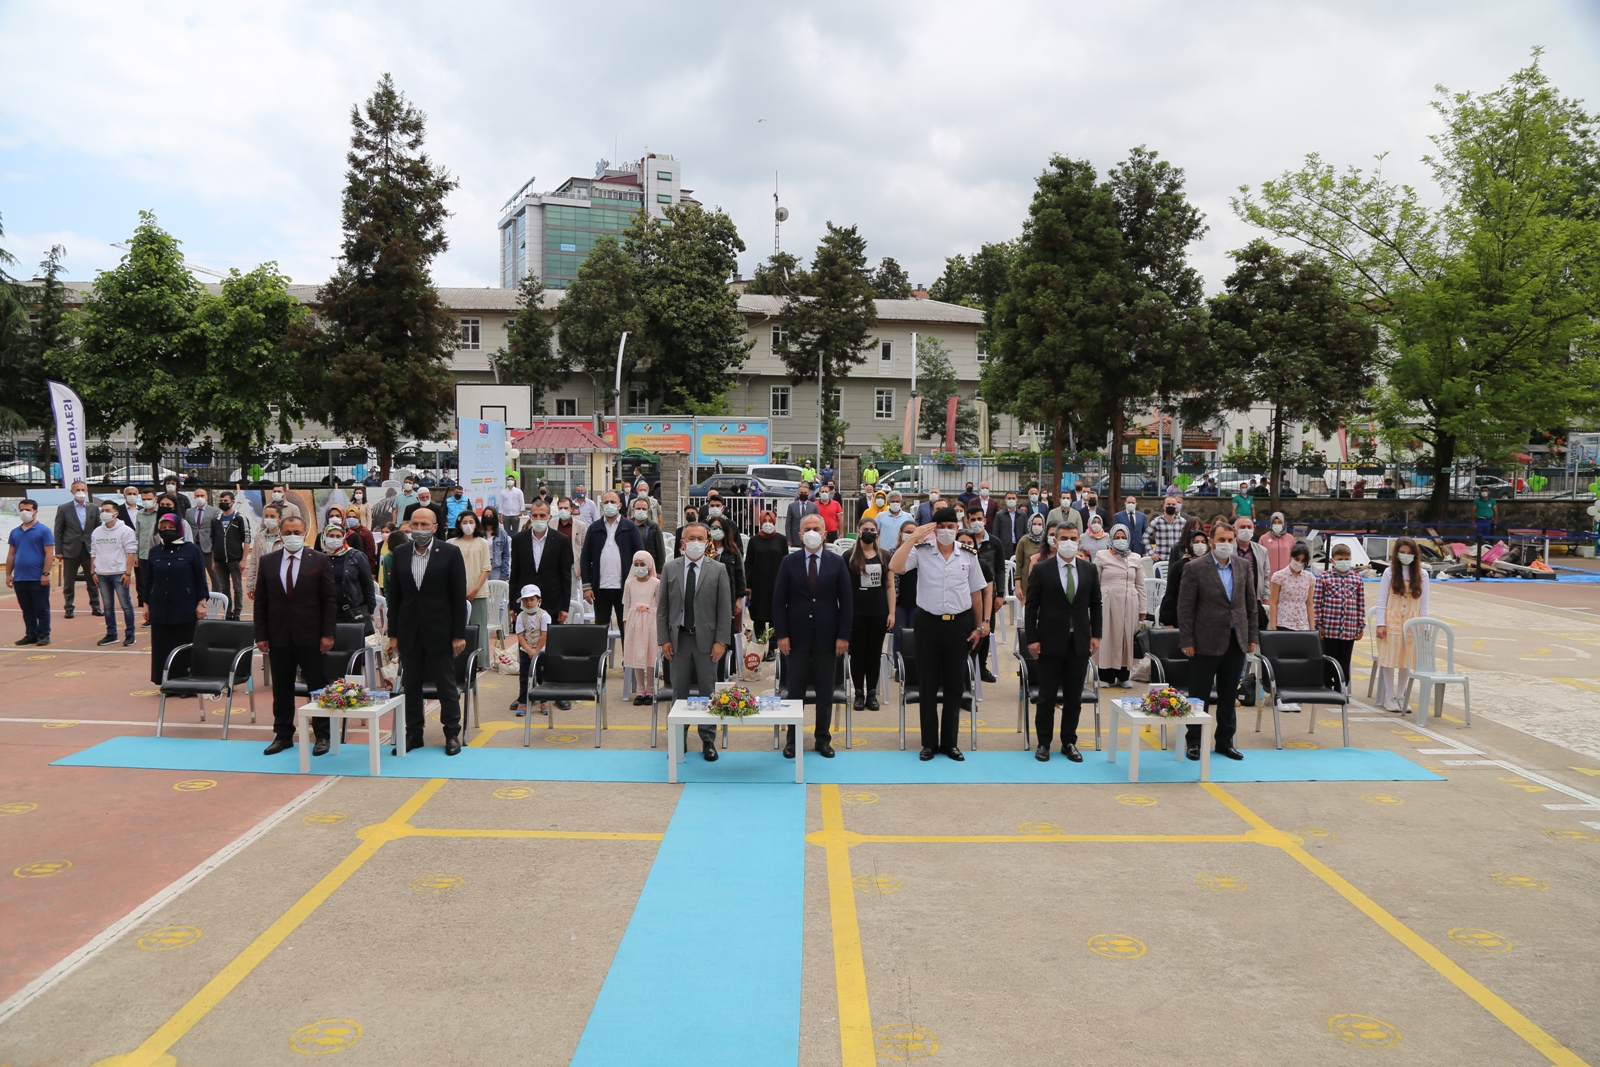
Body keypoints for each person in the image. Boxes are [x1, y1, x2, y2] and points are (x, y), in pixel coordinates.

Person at [889, 507, 987, 761]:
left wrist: (979, 626)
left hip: (959, 625)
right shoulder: (921, 551)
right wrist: (913, 537)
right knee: (928, 685)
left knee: (955, 685)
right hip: (928, 623)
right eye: (941, 526)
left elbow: (976, 591)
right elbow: (894, 565)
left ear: (958, 527)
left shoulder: (968, 555)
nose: (946, 531)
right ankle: (929, 743)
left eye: (951, 526)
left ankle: (950, 743)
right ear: (933, 528)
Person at [386, 508, 469, 755]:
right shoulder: (399, 553)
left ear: (435, 527)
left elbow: (458, 597)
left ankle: (452, 733)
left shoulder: (451, 553)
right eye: (415, 524)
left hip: (440, 630)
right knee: (411, 686)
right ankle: (414, 734)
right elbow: (395, 597)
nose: (419, 528)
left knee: (446, 685)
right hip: (409, 631)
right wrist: (393, 634)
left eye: (424, 524)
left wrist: (458, 634)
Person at [252, 515, 335, 754]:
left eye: (297, 532)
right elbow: (261, 602)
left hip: (312, 636)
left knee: (318, 688)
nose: (292, 536)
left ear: (305, 533)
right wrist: (261, 634)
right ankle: (283, 735)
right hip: (278, 636)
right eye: (287, 532)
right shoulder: (268, 561)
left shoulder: (319, 560)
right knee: (281, 688)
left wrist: (328, 633)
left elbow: (329, 600)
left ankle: (322, 736)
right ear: (281, 534)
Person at [771, 514, 852, 758]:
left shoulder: (837, 562)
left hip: (828, 638)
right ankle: (793, 741)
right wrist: (782, 635)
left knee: (825, 692)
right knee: (794, 692)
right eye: (808, 528)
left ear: (825, 533)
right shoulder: (789, 562)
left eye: (817, 527)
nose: (812, 531)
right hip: (795, 638)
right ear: (799, 534)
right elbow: (779, 602)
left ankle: (822, 739)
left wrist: (843, 636)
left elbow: (846, 602)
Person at [1176, 519, 1257, 761]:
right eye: (1221, 540)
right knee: (1199, 696)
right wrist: (1187, 640)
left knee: (1228, 694)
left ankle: (1224, 742)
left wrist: (1252, 635)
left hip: (1236, 640)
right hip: (1204, 641)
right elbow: (1185, 608)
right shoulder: (1195, 568)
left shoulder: (1243, 566)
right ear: (1211, 542)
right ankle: (1194, 742)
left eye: (1230, 540)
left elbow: (1250, 605)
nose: (1226, 544)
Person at [1025, 520, 1102, 761]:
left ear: (1079, 540)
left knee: (1073, 698)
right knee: (1046, 697)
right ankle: (1043, 743)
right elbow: (1031, 607)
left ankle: (1069, 741)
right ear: (1055, 541)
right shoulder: (1041, 569)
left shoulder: (1088, 570)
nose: (1069, 542)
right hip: (1049, 641)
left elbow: (1095, 605)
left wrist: (1096, 634)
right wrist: (1032, 639)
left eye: (1073, 538)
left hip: (1078, 642)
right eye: (1064, 538)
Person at [658, 523, 732, 761]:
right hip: (678, 640)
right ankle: (679, 739)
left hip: (707, 642)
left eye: (701, 538)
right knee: (678, 692)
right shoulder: (670, 568)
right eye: (691, 538)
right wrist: (664, 639)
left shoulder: (718, 569)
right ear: (682, 543)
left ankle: (708, 740)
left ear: (707, 541)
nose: (696, 542)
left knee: (708, 692)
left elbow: (724, 609)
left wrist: (721, 640)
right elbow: (662, 609)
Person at [148, 512, 211, 687]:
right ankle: (166, 682)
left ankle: (187, 684)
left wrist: (201, 603)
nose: (167, 531)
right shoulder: (154, 552)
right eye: (163, 528)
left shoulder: (191, 550)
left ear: (179, 529)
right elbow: (148, 581)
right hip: (160, 608)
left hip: (185, 607)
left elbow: (200, 578)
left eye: (171, 528)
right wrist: (147, 605)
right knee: (162, 647)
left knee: (185, 647)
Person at [1374, 536, 1430, 712]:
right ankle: (1389, 695)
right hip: (1392, 620)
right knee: (1390, 659)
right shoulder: (1389, 573)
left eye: (1409, 553)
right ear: (1396, 554)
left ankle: (1401, 695)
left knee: (1406, 659)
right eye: (1402, 553)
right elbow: (1382, 600)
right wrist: (1381, 624)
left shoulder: (1422, 574)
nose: (1406, 556)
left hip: (1412, 622)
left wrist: (1425, 626)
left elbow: (1424, 603)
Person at [581, 490, 643, 646]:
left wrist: (638, 584)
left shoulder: (630, 528)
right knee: (600, 629)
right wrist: (587, 586)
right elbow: (585, 559)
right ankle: (599, 666)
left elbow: (641, 557)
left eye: (613, 502)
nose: (609, 505)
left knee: (627, 628)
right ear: (601, 505)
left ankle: (628, 666)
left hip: (625, 589)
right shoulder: (594, 528)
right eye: (606, 502)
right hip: (600, 589)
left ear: (620, 505)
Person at [846, 518, 892, 711]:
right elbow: (844, 588)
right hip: (856, 613)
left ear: (877, 532)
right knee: (857, 654)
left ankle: (872, 693)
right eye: (866, 529)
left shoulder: (885, 555)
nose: (869, 532)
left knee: (874, 654)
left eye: (872, 529)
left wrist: (892, 613)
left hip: (879, 612)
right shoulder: (848, 556)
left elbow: (889, 586)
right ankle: (858, 692)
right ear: (858, 531)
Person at [508, 500, 574, 633]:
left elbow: (566, 575)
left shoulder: (561, 540)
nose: (539, 519)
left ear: (549, 517)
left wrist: (565, 607)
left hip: (552, 602)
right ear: (530, 516)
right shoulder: (519, 540)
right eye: (535, 516)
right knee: (526, 647)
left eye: (542, 516)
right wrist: (513, 604)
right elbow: (515, 573)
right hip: (525, 602)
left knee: (551, 647)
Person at [1094, 523, 1145, 688]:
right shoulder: (1102, 556)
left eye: (1123, 538)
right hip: (1107, 601)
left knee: (1126, 637)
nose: (1121, 541)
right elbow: (1095, 583)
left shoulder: (1135, 558)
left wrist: (1143, 609)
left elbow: (1140, 585)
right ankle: (1105, 675)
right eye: (1117, 538)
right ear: (1111, 539)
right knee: (1108, 636)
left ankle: (1123, 675)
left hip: (1130, 602)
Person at [1314, 542, 1365, 693]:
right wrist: (1319, 625)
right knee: (1328, 659)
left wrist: (1360, 625)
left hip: (1349, 629)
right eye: (1340, 558)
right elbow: (1317, 602)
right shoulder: (1324, 578)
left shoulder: (1356, 579)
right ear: (1333, 560)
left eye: (1347, 558)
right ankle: (1326, 686)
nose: (1344, 561)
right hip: (1329, 628)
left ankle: (1341, 687)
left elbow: (1360, 604)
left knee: (1344, 661)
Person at [90, 499, 139, 646]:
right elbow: (93, 552)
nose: (104, 513)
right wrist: (93, 572)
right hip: (102, 573)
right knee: (107, 605)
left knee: (126, 604)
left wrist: (128, 573)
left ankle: (130, 634)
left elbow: (131, 552)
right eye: (102, 511)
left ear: (116, 513)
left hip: (119, 573)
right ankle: (111, 634)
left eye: (107, 510)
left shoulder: (126, 530)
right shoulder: (97, 531)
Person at [7, 499, 55, 645]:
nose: (24, 513)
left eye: (28, 509)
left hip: (37, 577)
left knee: (41, 608)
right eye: (22, 509)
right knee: (27, 609)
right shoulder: (15, 532)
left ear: (35, 511)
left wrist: (45, 573)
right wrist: (9, 574)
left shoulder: (43, 530)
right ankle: (31, 634)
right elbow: (11, 554)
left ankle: (44, 634)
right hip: (20, 578)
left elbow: (49, 554)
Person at [53, 480, 102, 620]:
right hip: (70, 549)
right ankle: (69, 608)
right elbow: (58, 531)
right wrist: (59, 550)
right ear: (72, 492)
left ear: (87, 491)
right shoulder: (64, 509)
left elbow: (98, 529)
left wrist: (98, 549)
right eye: (77, 489)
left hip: (89, 549)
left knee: (92, 579)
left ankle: (96, 606)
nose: (81, 492)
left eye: (83, 489)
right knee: (69, 581)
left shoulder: (93, 508)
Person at [745, 509, 788, 662]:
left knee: (775, 617)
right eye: (765, 521)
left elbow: (786, 562)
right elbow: (748, 563)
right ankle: (760, 647)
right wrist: (748, 586)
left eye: (770, 521)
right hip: (758, 585)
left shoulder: (781, 540)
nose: (767, 524)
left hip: (777, 584)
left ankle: (772, 648)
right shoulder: (754, 540)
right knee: (759, 617)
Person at [965, 504, 1002, 681]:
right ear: (967, 521)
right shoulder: (963, 540)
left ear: (985, 521)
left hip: (988, 593)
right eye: (973, 520)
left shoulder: (995, 542)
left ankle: (981, 667)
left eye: (980, 519)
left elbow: (1000, 569)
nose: (977, 522)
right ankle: (969, 667)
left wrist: (1000, 594)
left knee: (986, 631)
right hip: (966, 597)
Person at [452, 510, 492, 665]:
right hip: (458, 594)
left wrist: (475, 589)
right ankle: (460, 660)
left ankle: (481, 662)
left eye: (471, 522)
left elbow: (486, 568)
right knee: (459, 629)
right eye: (464, 522)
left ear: (476, 524)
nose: (468, 526)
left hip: (479, 592)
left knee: (479, 628)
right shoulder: (453, 543)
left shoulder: (482, 543)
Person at [323, 518, 377, 635]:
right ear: (325, 536)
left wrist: (370, 609)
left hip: (353, 610)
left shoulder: (356, 556)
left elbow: (367, 584)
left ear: (343, 538)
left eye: (338, 536)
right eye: (331, 535)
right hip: (327, 613)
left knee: (354, 648)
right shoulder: (320, 558)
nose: (334, 539)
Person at [623, 553, 660, 706]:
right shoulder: (629, 584)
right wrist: (626, 623)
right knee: (637, 655)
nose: (639, 568)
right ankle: (640, 689)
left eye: (642, 564)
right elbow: (626, 604)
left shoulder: (656, 583)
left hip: (651, 622)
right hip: (635, 623)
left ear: (649, 565)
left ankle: (650, 689)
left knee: (650, 654)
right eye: (636, 565)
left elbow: (660, 603)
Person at [1159, 520, 1211, 627]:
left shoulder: (1212, 565)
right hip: (1183, 616)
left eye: (1203, 542)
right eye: (1196, 542)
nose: (1200, 545)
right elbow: (1170, 594)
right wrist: (1168, 621)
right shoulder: (1179, 566)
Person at [511, 584, 551, 716]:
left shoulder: (544, 616)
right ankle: (523, 701)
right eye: (525, 600)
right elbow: (520, 636)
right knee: (524, 677)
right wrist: (528, 650)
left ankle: (544, 700)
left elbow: (544, 635)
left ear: (539, 600)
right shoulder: (521, 617)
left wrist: (537, 650)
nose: (528, 603)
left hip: (542, 651)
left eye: (532, 599)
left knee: (542, 677)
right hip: (525, 652)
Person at [211, 491, 250, 620]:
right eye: (221, 501)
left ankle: (237, 613)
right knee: (224, 587)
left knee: (237, 587)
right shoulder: (215, 520)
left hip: (235, 559)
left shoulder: (240, 518)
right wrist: (213, 561)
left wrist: (244, 560)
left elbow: (246, 540)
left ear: (232, 502)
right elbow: (213, 541)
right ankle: (227, 613)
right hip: (220, 559)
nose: (223, 503)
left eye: (226, 501)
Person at [707, 515, 747, 633]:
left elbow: (740, 576)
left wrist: (739, 599)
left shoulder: (733, 552)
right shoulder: (704, 551)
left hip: (728, 596)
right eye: (713, 527)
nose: (717, 530)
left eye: (720, 528)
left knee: (725, 630)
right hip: (707, 597)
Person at [1233, 516, 1271, 630]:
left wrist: (1265, 597)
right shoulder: (1229, 550)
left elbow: (1265, 576)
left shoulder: (1262, 551)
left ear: (1253, 529)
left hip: (1255, 600)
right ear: (1235, 530)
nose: (1246, 529)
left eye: (1249, 527)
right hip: (1234, 602)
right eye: (1242, 527)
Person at [1269, 543, 1315, 632]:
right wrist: (1273, 627)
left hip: (1302, 624)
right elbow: (1273, 602)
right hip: (1283, 623)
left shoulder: (1310, 577)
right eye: (1297, 559)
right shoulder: (1279, 576)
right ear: (1290, 556)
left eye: (1303, 560)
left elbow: (1309, 603)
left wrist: (1312, 628)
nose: (1299, 563)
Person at [244, 504, 284, 606]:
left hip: (281, 582)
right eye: (266, 516)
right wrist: (250, 585)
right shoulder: (259, 537)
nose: (268, 519)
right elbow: (254, 562)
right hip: (262, 581)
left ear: (279, 518)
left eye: (272, 516)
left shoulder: (285, 537)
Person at [630, 497, 667, 572]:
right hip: (630, 566)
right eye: (638, 508)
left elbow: (660, 550)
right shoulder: (627, 526)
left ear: (648, 511)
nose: (641, 510)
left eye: (643, 509)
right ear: (633, 510)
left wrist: (659, 570)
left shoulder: (654, 527)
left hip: (648, 568)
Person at [990, 489, 1028, 562]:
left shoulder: (1023, 515)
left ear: (1017, 500)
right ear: (1005, 500)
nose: (1011, 500)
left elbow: (1026, 531)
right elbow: (995, 532)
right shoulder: (999, 515)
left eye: (1013, 498)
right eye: (1009, 498)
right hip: (1005, 547)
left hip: (1019, 546)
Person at [1258, 512, 1295, 576]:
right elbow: (1259, 558)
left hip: (1286, 576)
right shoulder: (1263, 538)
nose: (1277, 524)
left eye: (1279, 522)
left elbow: (1294, 556)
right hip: (1269, 577)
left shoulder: (1290, 538)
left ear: (1283, 523)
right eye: (1274, 522)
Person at [1149, 496, 1184, 563]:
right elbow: (1145, 537)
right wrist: (1152, 553)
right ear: (1164, 506)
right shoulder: (1156, 521)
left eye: (1173, 504)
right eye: (1168, 504)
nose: (1171, 506)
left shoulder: (1183, 522)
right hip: (1160, 560)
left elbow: (1187, 539)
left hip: (1177, 561)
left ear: (1176, 507)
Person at [482, 506, 511, 583]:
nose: (488, 518)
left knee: (495, 593)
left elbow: (506, 555)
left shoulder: (502, 533)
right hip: (481, 568)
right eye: (486, 516)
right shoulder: (478, 533)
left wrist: (504, 574)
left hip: (496, 569)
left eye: (490, 516)